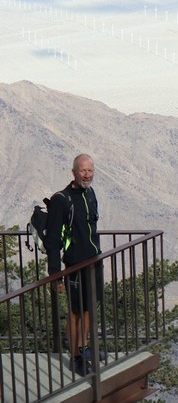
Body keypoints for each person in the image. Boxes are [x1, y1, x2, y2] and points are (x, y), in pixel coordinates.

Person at [45, 154, 102, 376]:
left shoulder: (90, 194)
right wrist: (56, 274)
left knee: (88, 308)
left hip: (93, 262)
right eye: (83, 171)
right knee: (75, 312)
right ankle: (76, 357)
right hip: (74, 265)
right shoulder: (62, 200)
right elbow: (53, 241)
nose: (87, 175)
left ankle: (85, 348)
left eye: (90, 171)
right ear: (74, 172)